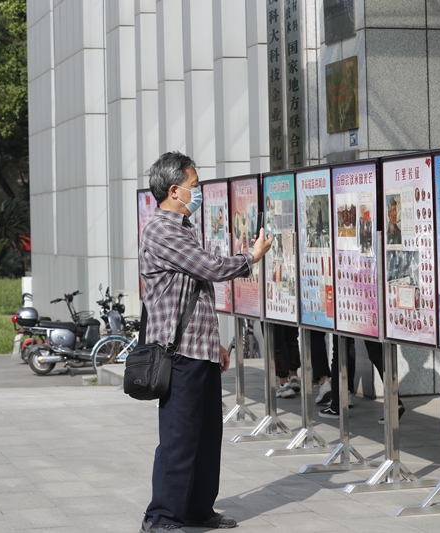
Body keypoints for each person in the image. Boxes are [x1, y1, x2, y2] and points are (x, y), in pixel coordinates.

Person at [138, 152, 272, 532]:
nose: (199, 194)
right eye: (195, 187)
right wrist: (252, 257)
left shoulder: (182, 228)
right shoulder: (162, 230)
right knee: (179, 439)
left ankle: (197, 509)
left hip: (199, 349)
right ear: (174, 189)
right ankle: (161, 516)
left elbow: (196, 298)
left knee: (207, 435)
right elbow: (210, 269)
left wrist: (217, 347)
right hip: (177, 353)